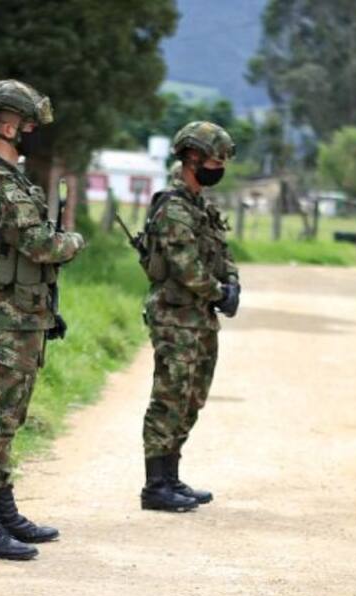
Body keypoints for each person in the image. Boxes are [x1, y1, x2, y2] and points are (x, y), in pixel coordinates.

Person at [0, 79, 86, 560]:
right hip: (7, 315)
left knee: (11, 417)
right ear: (7, 122)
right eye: (28, 122)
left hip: (28, 312)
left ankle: (3, 509)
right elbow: (39, 243)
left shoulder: (14, 179)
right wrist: (72, 242)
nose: (32, 130)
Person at [138, 121, 240, 512]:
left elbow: (222, 254)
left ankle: (171, 475)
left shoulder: (201, 207)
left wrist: (232, 283)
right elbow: (187, 266)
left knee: (192, 398)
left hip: (199, 318)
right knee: (169, 397)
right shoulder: (174, 207)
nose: (219, 168)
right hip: (175, 317)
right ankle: (155, 485)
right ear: (192, 158)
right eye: (215, 160)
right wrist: (219, 293)